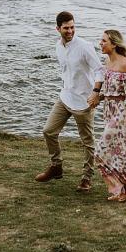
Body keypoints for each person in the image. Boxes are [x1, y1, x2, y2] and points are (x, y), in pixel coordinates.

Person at [35, 11, 104, 192]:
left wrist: (96, 92)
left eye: (72, 27)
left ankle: (86, 178)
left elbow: (100, 70)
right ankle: (56, 166)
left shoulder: (85, 46)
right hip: (65, 98)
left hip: (84, 102)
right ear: (58, 29)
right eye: (66, 28)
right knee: (48, 131)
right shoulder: (58, 46)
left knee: (87, 142)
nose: (70, 31)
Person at [90, 29, 126, 202]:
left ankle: (118, 187)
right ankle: (124, 191)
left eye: (104, 41)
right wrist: (98, 97)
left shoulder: (125, 64)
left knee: (101, 150)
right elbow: (109, 89)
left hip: (121, 113)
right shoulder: (107, 61)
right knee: (120, 152)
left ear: (114, 44)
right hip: (109, 111)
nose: (100, 44)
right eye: (101, 40)